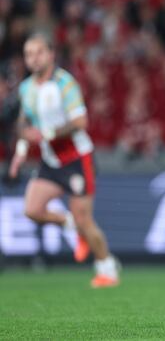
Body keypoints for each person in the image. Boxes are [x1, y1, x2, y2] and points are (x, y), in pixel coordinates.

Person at [8, 34, 119, 288]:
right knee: (32, 210)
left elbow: (80, 122)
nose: (34, 59)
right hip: (51, 161)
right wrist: (20, 154)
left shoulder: (64, 83)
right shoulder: (26, 88)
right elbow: (24, 125)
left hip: (77, 158)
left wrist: (46, 134)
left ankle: (107, 267)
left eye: (39, 52)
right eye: (28, 54)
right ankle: (68, 223)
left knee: (85, 220)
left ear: (51, 54)